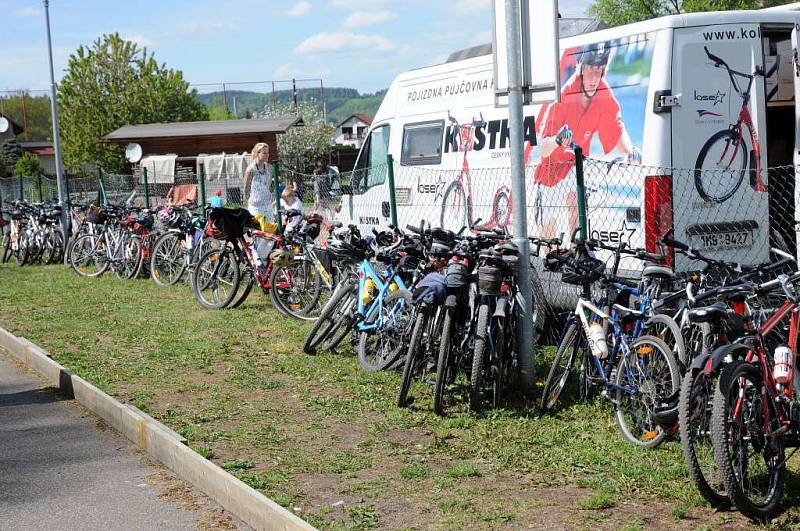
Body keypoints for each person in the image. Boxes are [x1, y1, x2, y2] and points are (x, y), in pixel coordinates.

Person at [533, 41, 641, 238]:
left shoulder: (603, 91)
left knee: (576, 214)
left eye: (599, 70)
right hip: (550, 173)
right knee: (549, 237)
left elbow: (617, 129)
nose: (594, 77)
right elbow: (543, 149)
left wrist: (631, 151)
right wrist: (558, 140)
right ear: (580, 68)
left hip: (577, 169)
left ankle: (577, 249)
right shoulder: (562, 97)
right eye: (590, 69)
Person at [244, 142, 277, 233]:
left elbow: (270, 186)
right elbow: (246, 187)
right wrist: (248, 201)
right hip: (256, 207)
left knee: (270, 232)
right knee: (257, 232)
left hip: (267, 205)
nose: (267, 155)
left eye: (268, 153)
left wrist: (272, 190)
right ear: (257, 153)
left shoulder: (270, 168)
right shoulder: (251, 169)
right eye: (264, 153)